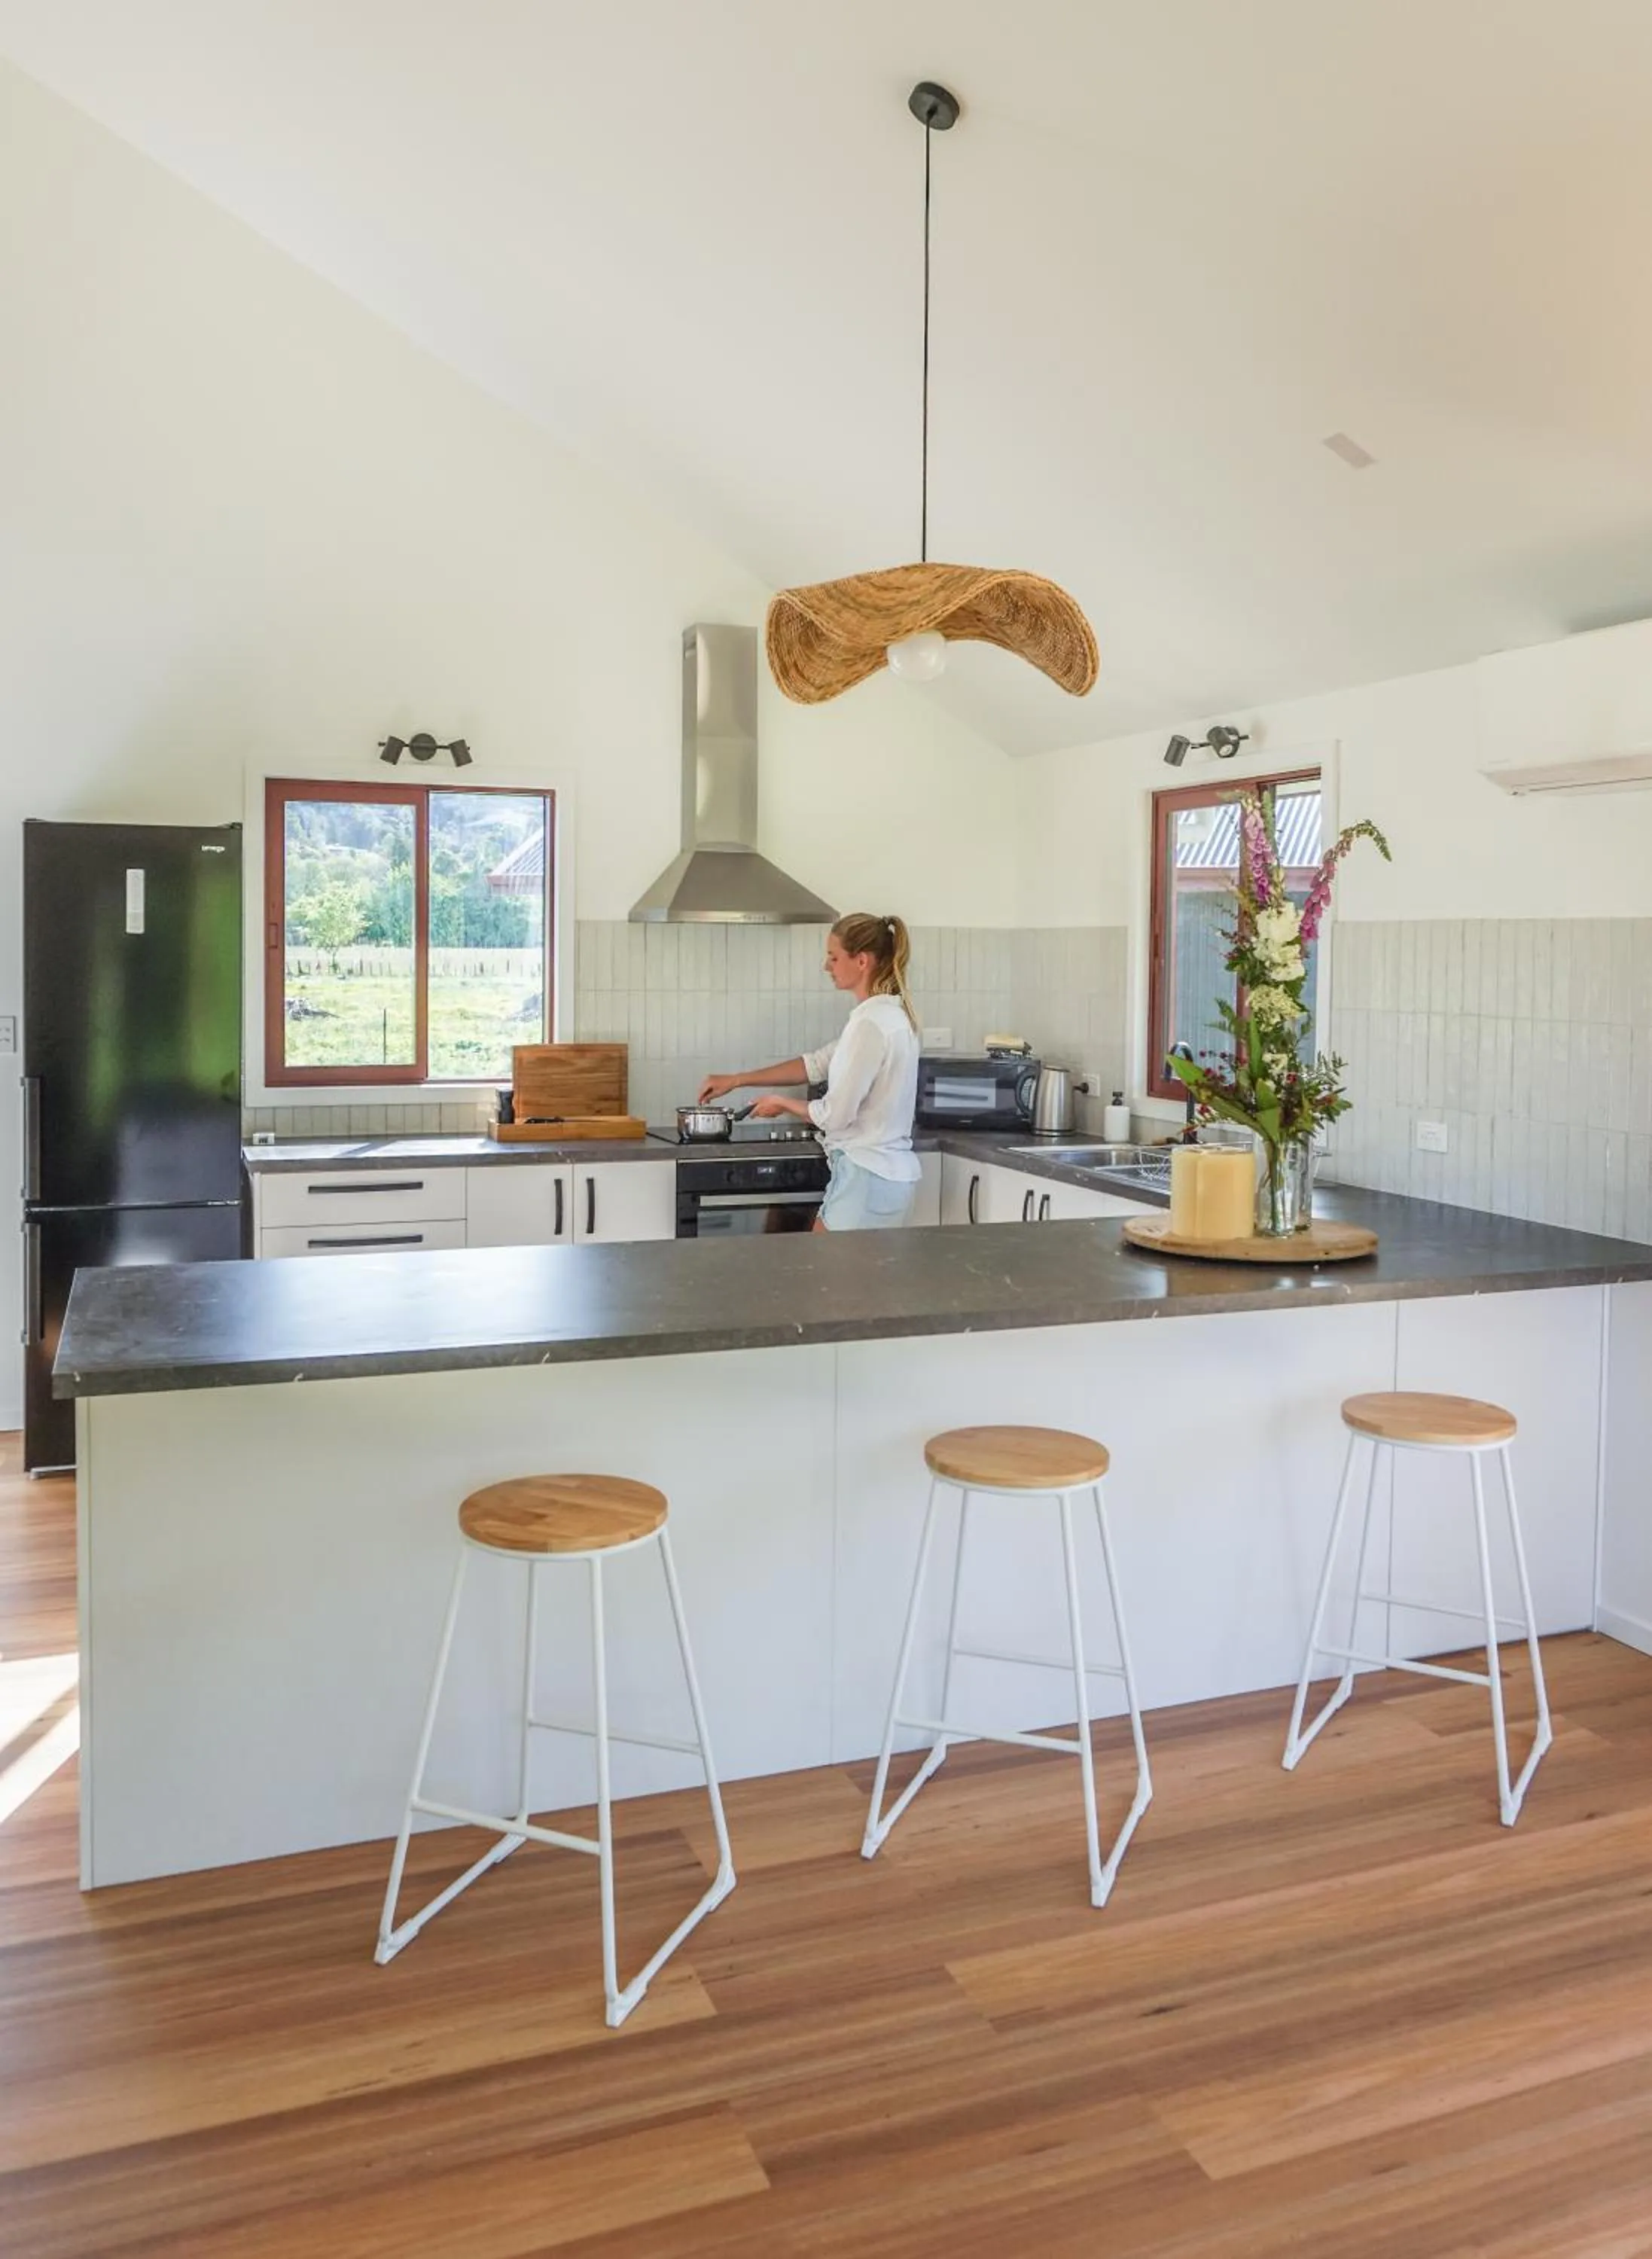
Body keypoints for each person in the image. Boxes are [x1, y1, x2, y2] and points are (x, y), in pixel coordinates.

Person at [699, 912, 921, 1230]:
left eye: (833, 957)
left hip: (867, 1179)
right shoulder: (889, 1017)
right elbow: (815, 1064)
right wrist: (737, 1080)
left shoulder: (871, 1025)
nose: (826, 966)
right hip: (882, 1179)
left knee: (823, 1276)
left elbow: (836, 1115)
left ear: (862, 961)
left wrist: (783, 1103)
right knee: (854, 1279)